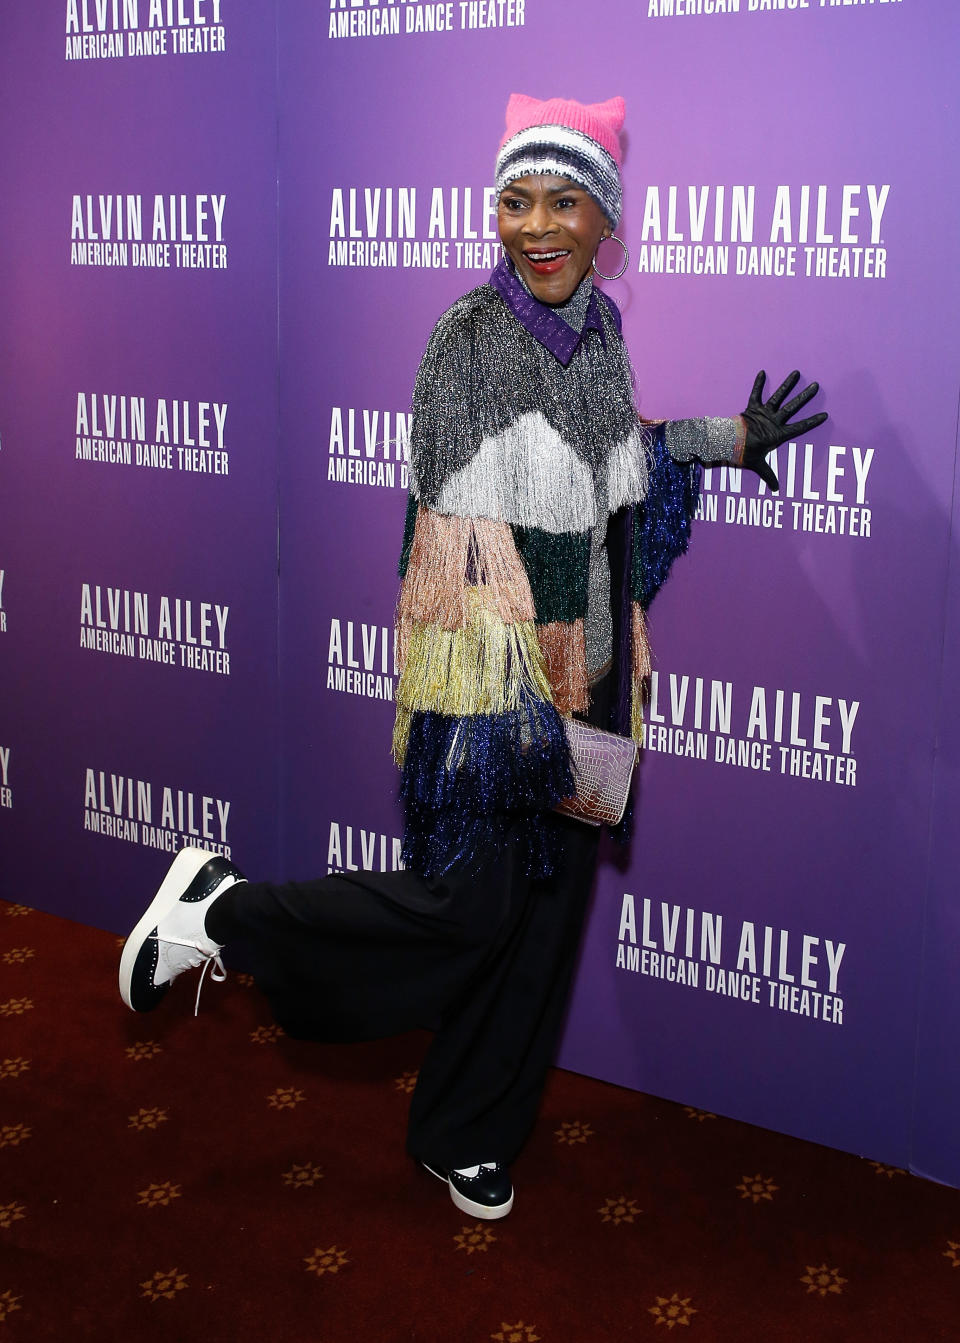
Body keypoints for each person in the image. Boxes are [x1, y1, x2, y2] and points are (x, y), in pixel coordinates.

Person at [119, 93, 826, 1221]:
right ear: (494, 211)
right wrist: (518, 710)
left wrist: (723, 442)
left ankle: (467, 1128)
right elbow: (446, 542)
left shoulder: (600, 332)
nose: (535, 224)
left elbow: (615, 460)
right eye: (515, 199)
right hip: (490, 690)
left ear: (604, 219)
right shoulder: (468, 342)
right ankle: (223, 911)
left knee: (541, 933)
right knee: (469, 907)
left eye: (562, 201)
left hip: (590, 676)